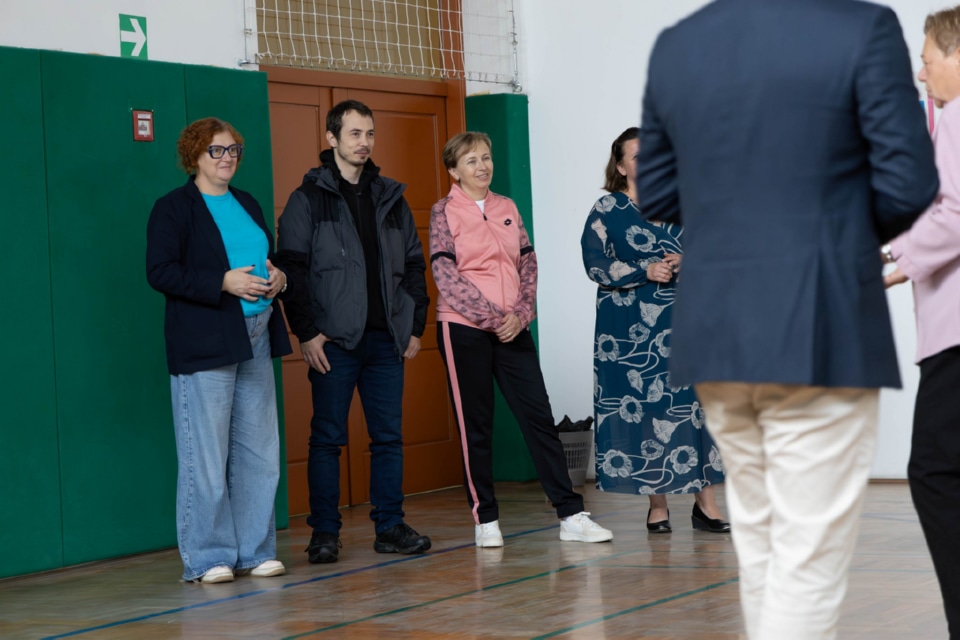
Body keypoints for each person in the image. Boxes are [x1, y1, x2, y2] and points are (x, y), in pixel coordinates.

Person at [636, 2, 939, 638]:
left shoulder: (678, 43)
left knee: (764, 543)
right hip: (819, 318)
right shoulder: (862, 27)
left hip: (717, 325)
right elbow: (910, 181)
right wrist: (831, 241)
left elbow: (657, 192)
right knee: (806, 559)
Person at [430, 131, 613, 548]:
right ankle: (486, 520)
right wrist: (493, 318)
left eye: (486, 157)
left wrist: (521, 314)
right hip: (463, 329)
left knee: (539, 419)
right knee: (475, 426)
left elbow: (528, 265)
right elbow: (445, 274)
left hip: (514, 327)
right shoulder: (443, 211)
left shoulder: (507, 207)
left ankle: (570, 514)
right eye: (472, 160)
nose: (482, 166)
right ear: (454, 171)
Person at [275, 99, 431, 564]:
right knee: (326, 439)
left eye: (370, 133)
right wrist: (306, 333)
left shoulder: (391, 197)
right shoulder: (307, 200)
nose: (364, 142)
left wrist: (414, 325)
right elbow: (292, 270)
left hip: (386, 342)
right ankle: (324, 532)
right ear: (332, 138)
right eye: (355, 134)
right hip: (334, 343)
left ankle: (390, 526)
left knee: (388, 438)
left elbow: (415, 266)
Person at [146, 117, 292, 583]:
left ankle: (255, 551)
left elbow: (267, 258)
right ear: (194, 155)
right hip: (205, 341)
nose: (227, 158)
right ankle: (208, 557)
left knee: (259, 452)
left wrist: (279, 276)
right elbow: (160, 271)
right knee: (205, 457)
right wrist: (222, 282)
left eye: (233, 150)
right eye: (217, 150)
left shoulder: (246, 202)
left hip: (257, 335)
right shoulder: (173, 208)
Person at [581, 127, 728, 534]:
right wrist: (643, 270)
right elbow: (594, 263)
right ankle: (657, 506)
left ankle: (706, 505)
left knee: (697, 408)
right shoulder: (607, 209)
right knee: (645, 410)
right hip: (630, 332)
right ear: (620, 166)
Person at [883, 7, 960, 635]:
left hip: (957, 333)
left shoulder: (958, 117)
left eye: (928, 57)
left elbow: (955, 212)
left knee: (933, 471)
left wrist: (893, 265)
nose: (921, 70)